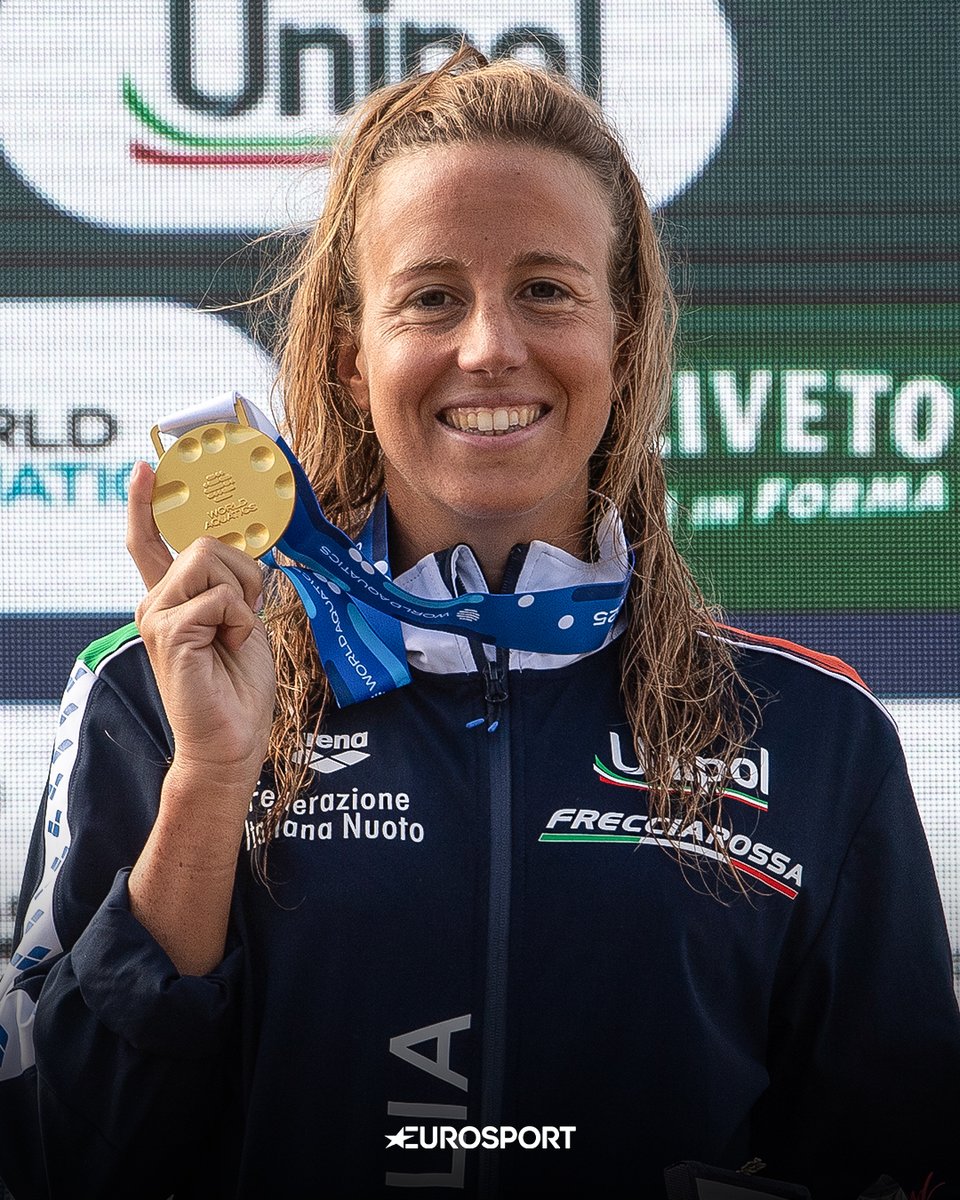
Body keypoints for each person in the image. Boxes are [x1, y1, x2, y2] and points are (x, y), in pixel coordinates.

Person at [1, 46, 958, 1200]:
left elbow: (897, 1162)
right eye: (433, 296)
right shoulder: (152, 694)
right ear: (356, 361)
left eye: (547, 290)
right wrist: (210, 781)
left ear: (626, 334)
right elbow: (63, 1158)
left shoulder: (815, 733)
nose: (491, 346)